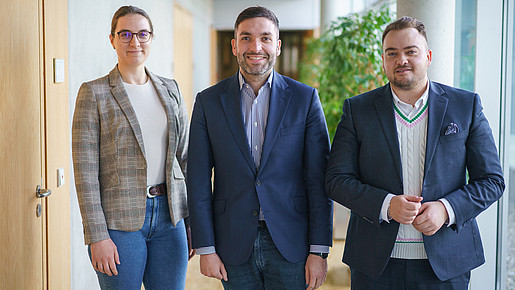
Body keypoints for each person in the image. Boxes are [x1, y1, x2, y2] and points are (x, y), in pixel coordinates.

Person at [325, 16, 505, 289]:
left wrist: (447, 209)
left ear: (428, 56)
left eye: (411, 51)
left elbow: (492, 181)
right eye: (392, 53)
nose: (402, 60)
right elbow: (336, 179)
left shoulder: (465, 106)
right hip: (375, 263)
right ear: (383, 59)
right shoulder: (357, 110)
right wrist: (386, 205)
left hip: (446, 263)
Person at [187, 6, 333, 290]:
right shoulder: (208, 102)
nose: (256, 47)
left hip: (292, 242)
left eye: (265, 38)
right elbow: (198, 180)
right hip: (232, 241)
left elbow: (319, 180)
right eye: (246, 38)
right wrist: (205, 247)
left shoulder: (305, 99)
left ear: (277, 46)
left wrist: (319, 250)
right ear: (234, 45)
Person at [72, 5, 193, 289]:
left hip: (170, 218)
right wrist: (96, 236)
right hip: (118, 224)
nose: (134, 41)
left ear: (151, 38)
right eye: (125, 34)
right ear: (112, 39)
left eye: (142, 34)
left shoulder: (171, 89)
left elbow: (185, 159)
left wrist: (192, 221)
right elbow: (85, 172)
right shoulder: (94, 93)